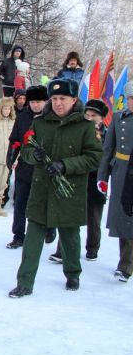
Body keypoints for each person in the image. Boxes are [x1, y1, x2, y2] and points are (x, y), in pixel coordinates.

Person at [8, 78, 103, 298]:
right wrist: (34, 155)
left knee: (70, 236)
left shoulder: (86, 126)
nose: (58, 103)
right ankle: (25, 282)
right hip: (42, 190)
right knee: (33, 237)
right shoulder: (40, 123)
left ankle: (72, 274)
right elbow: (27, 150)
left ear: (74, 100)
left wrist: (65, 165)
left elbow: (94, 158)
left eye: (63, 99)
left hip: (69, 190)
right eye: (55, 98)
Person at [48, 99, 108, 263]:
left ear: (101, 118)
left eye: (93, 116)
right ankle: (62, 250)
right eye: (86, 114)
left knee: (93, 218)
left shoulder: (108, 134)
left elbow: (105, 157)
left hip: (95, 180)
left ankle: (92, 248)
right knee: (69, 215)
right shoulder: (77, 130)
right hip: (75, 177)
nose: (88, 118)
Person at [5, 86, 53, 249]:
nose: (35, 105)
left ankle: (49, 228)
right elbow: (15, 139)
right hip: (25, 168)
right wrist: (11, 157)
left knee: (45, 202)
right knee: (20, 203)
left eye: (38, 102)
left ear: (46, 102)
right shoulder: (23, 117)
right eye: (32, 102)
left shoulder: (53, 118)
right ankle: (18, 235)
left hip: (46, 168)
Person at [96, 82, 133, 283]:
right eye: (132, 98)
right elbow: (108, 149)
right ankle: (125, 263)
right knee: (123, 219)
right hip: (121, 172)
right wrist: (103, 176)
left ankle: (126, 265)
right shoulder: (119, 117)